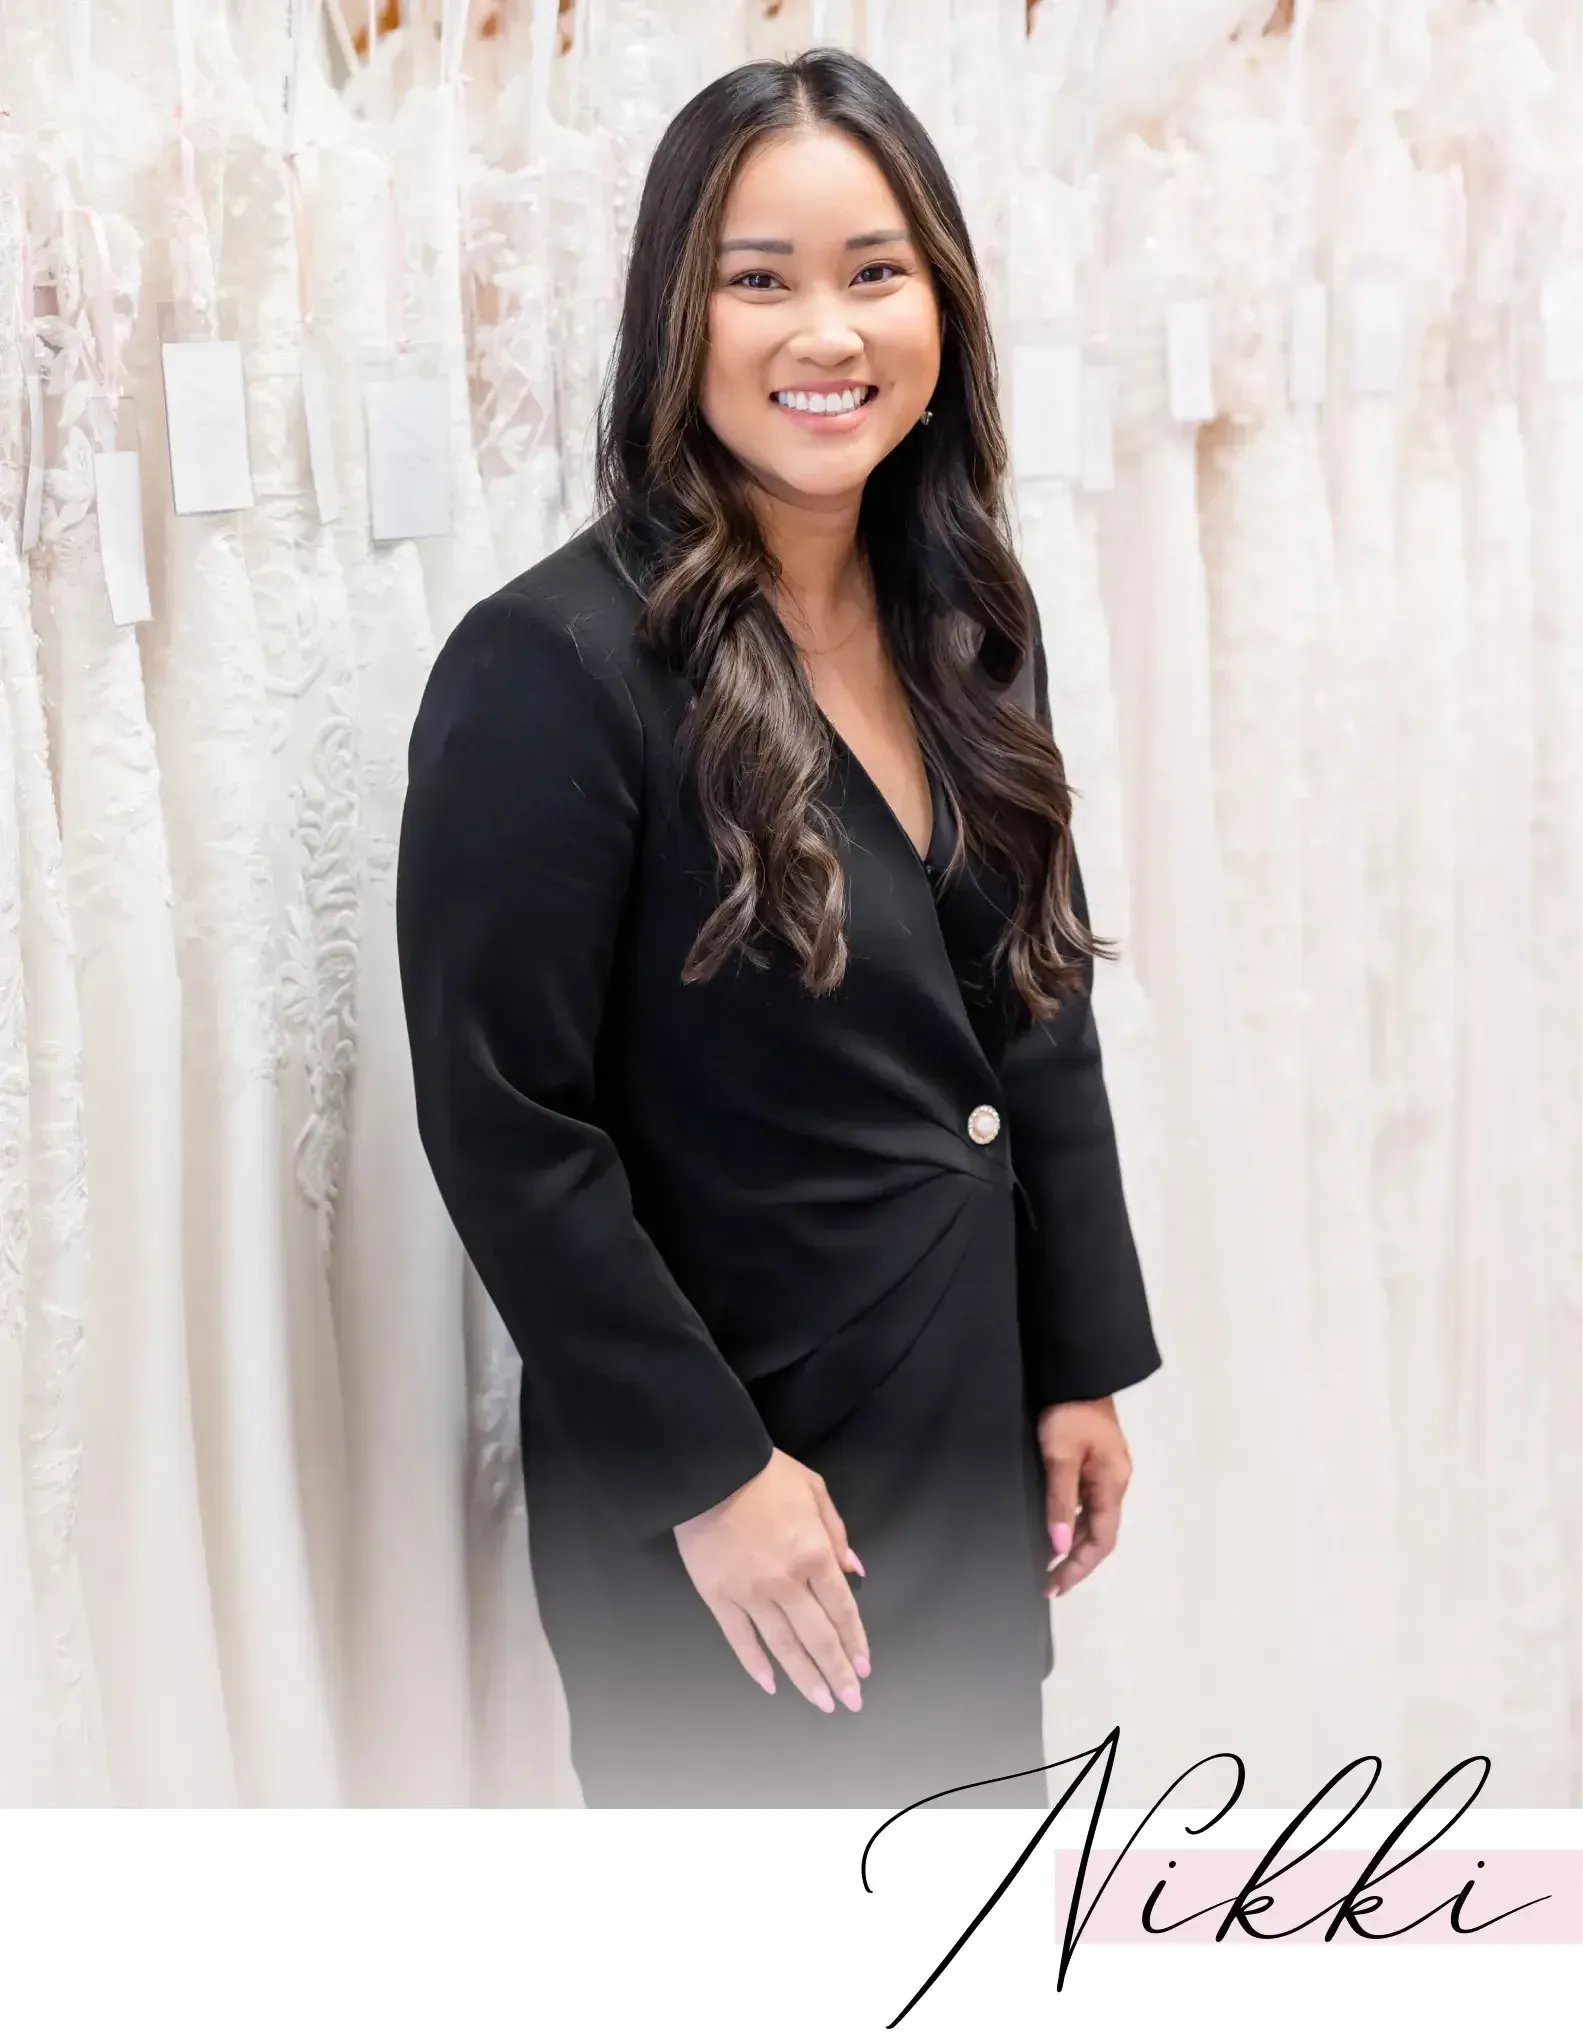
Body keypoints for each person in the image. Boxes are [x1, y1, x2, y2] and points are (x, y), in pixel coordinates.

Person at [395, 47, 1162, 1811]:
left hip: (964, 1437)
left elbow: (1032, 1002)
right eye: (762, 281)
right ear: (680, 313)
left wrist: (1074, 1358)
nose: (828, 332)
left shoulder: (966, 621)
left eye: (874, 273)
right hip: (732, 1504)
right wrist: (708, 1473)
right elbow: (508, 1127)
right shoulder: (553, 667)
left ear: (943, 307)